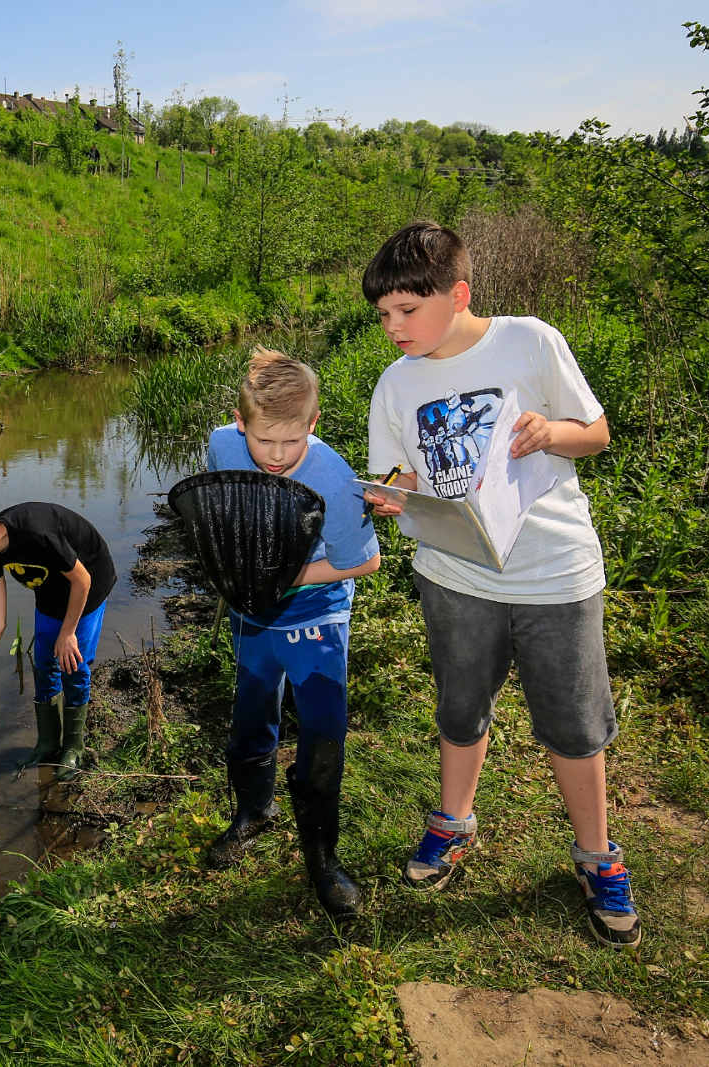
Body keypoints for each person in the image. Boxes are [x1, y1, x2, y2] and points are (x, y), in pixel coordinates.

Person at [361, 220, 639, 949]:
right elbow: (400, 472)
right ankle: (453, 823)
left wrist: (552, 432)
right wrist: (391, 493)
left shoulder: (528, 340)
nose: (394, 327)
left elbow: (598, 432)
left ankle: (596, 854)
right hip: (454, 574)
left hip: (554, 571)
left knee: (575, 724)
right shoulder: (395, 383)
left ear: (458, 293)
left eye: (406, 310)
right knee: (460, 706)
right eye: (383, 315)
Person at [203, 347, 380, 920]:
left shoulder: (334, 478)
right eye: (263, 441)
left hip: (316, 611)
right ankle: (254, 812)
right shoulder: (222, 445)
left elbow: (364, 563)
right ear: (240, 424)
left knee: (324, 733)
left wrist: (287, 574)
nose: (276, 457)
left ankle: (323, 860)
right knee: (251, 716)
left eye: (291, 441)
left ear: (314, 424)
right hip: (253, 614)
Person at [0, 505, 116, 782]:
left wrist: (68, 633)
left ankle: (73, 746)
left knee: (73, 665)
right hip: (49, 587)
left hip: (87, 583)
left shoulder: (39, 534)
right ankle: (47, 745)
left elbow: (82, 580)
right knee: (44, 661)